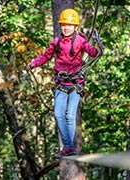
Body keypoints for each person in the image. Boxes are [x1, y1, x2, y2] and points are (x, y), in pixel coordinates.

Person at [27, 8, 103, 157]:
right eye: (63, 25)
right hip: (61, 83)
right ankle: (68, 146)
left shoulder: (81, 40)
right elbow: (45, 56)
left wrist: (99, 47)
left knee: (70, 115)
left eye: (69, 25)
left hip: (76, 83)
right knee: (58, 114)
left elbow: (93, 53)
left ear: (76, 27)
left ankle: (68, 147)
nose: (66, 28)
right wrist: (34, 64)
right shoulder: (56, 42)